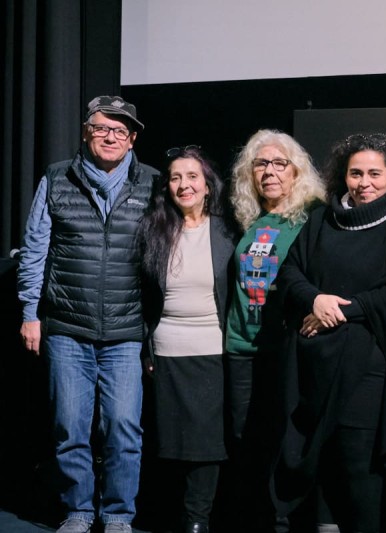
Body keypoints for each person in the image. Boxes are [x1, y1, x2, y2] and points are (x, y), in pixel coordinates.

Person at [17, 96, 157, 533]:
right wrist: (30, 312)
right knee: (69, 426)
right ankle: (78, 510)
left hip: (126, 330)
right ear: (85, 131)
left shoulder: (153, 183)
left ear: (132, 139)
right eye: (101, 128)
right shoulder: (57, 178)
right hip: (66, 328)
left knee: (122, 428)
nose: (110, 137)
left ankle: (118, 515)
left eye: (120, 131)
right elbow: (36, 248)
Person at [272, 133, 386, 532]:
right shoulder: (322, 218)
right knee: (321, 461)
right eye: (356, 173)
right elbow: (290, 272)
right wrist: (315, 300)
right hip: (314, 365)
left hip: (365, 370)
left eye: (375, 173)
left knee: (358, 467)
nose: (364, 182)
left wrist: (337, 310)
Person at [224, 129, 326, 530]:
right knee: (243, 439)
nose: (269, 171)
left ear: (296, 170)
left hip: (285, 347)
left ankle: (284, 520)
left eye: (279, 163)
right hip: (240, 347)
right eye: (260, 163)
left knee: (282, 440)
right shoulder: (246, 220)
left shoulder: (312, 217)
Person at [139, 146, 238, 533]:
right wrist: (146, 350)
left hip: (213, 351)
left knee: (206, 444)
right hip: (165, 352)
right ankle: (167, 515)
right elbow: (145, 297)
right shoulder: (154, 229)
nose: (184, 184)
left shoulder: (230, 230)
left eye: (192, 176)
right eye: (176, 177)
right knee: (168, 442)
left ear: (208, 186)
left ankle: (197, 520)